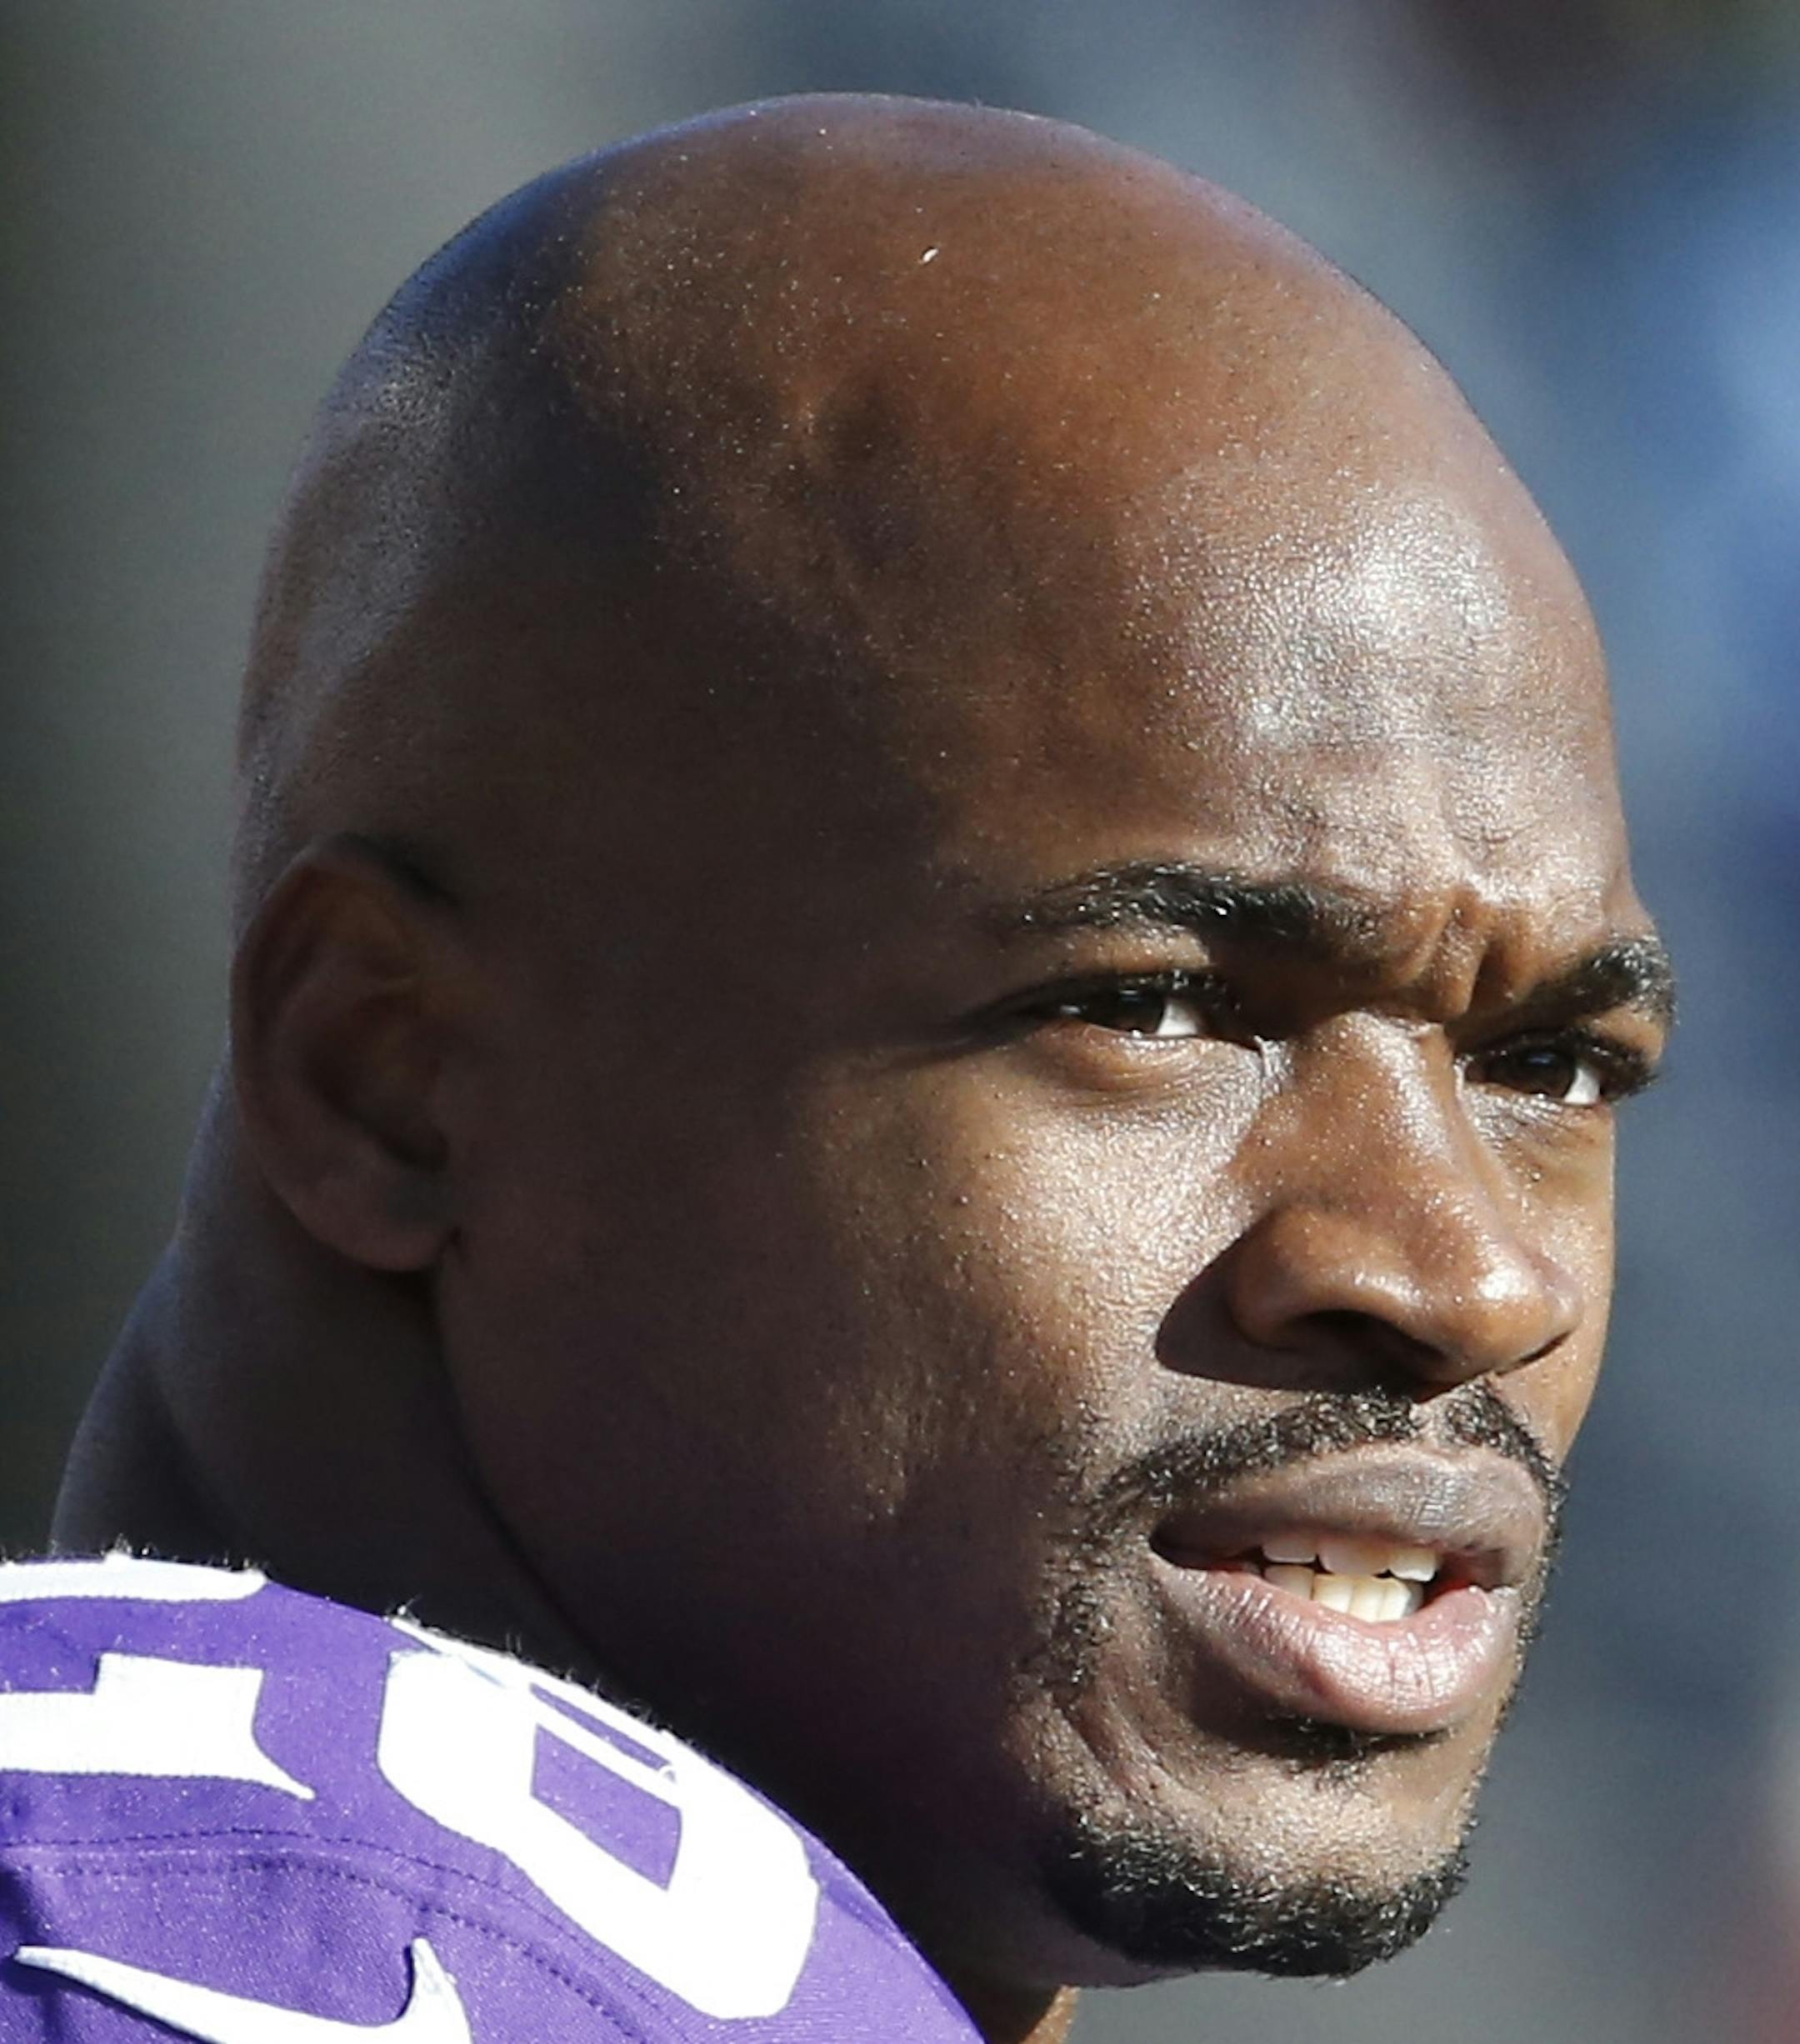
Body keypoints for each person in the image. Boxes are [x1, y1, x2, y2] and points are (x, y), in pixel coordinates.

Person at [27, 93, 1672, 2044]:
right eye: (1156, 1008)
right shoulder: (243, 1973)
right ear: (386, 1078)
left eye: (1553, 1063)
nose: (1470, 1274)